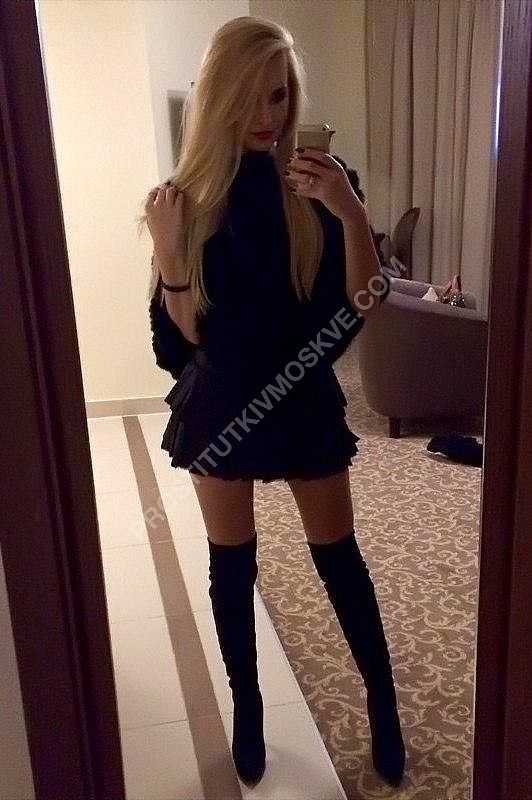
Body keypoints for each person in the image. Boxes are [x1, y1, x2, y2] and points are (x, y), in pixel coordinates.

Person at [138, 16, 404, 788]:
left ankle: (383, 704)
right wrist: (168, 254)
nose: (266, 115)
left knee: (339, 560)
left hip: (301, 400)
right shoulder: (188, 200)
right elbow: (181, 345)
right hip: (221, 405)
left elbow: (360, 306)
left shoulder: (319, 184)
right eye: (250, 97)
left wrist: (351, 211)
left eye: (279, 96)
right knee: (232, 567)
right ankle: (248, 708)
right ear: (219, 98)